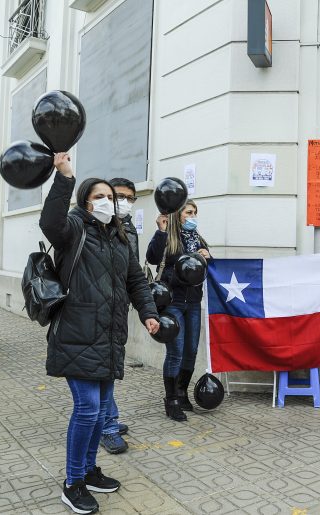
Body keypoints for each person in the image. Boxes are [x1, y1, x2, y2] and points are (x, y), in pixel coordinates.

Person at [39, 153, 160, 514]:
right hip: (76, 333)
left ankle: (90, 471)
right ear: (86, 203)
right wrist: (65, 176)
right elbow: (50, 222)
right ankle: (73, 481)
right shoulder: (73, 229)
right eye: (101, 197)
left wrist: (149, 313)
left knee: (100, 408)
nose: (111, 202)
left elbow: (136, 279)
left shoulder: (120, 237)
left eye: (114, 196)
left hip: (109, 336)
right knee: (89, 410)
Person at [146, 199, 210, 422]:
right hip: (172, 302)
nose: (192, 217)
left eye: (194, 213)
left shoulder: (198, 239)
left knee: (191, 350)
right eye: (188, 213)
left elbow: (202, 270)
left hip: (193, 302)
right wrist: (161, 231)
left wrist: (207, 257)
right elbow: (152, 258)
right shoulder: (170, 238)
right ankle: (171, 399)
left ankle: (182, 393)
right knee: (176, 351)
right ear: (177, 215)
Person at [98, 177, 140, 455]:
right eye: (119, 196)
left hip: (118, 307)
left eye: (130, 198)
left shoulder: (126, 227)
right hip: (97, 309)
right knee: (102, 370)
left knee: (110, 367)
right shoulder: (96, 228)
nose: (124, 203)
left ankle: (108, 417)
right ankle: (106, 427)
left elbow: (133, 272)